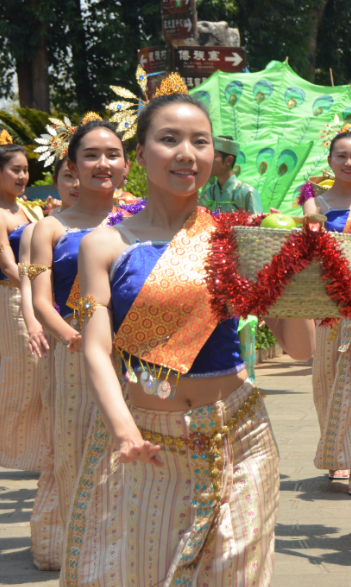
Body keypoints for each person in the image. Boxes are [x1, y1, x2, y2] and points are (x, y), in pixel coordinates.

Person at [64, 92, 284, 585]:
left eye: (200, 142)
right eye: (170, 139)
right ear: (139, 153)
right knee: (145, 572)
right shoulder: (105, 245)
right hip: (148, 438)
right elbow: (98, 348)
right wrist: (123, 430)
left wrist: (301, 275)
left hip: (241, 433)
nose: (187, 153)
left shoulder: (239, 236)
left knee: (235, 576)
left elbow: (302, 348)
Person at [29, 120, 128, 571]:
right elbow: (40, 302)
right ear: (71, 166)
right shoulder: (49, 229)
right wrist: (77, 338)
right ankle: (84, 557)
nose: (103, 164)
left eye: (113, 154)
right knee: (75, 453)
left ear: (128, 163)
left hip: (137, 355)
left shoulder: (140, 219)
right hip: (74, 358)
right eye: (91, 155)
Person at [301, 128, 351, 491]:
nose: (348, 162)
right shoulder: (314, 205)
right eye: (341, 156)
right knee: (327, 381)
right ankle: (337, 453)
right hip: (326, 305)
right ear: (329, 161)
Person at [17, 157, 78, 570]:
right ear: (57, 180)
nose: (77, 181)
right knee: (67, 441)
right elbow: (34, 289)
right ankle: (63, 539)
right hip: (68, 345)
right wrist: (60, 332)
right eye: (70, 174)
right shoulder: (47, 227)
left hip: (128, 349)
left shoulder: (129, 218)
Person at [0, 131, 48, 475]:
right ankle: (12, 451)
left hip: (38, 298)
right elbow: (6, 264)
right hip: (14, 299)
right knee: (20, 373)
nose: (22, 176)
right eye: (14, 170)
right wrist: (36, 293)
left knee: (42, 373)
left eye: (25, 169)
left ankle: (35, 447)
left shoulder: (31, 209)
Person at [199, 135, 263, 214]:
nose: (208, 161)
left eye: (213, 157)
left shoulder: (247, 193)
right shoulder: (207, 194)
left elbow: (257, 224)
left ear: (229, 160)